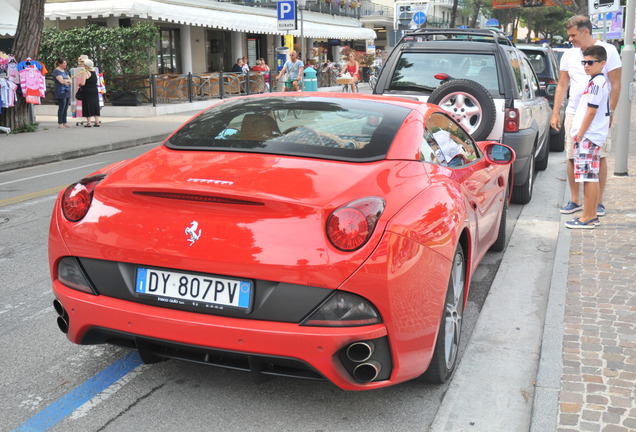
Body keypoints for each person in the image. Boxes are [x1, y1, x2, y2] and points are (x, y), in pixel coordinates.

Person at [550, 15, 621, 218]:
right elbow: (562, 85)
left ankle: (597, 203)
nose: (570, 39)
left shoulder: (609, 51)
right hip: (574, 111)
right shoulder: (568, 55)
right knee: (572, 156)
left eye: (573, 35)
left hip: (598, 114)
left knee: (599, 156)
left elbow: (616, 83)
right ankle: (575, 200)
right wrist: (556, 112)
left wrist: (611, 112)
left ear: (585, 32)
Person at [564, 45, 610, 229]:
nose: (586, 66)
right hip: (591, 136)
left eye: (590, 62)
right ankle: (591, 215)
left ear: (602, 63)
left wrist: (580, 134)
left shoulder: (597, 83)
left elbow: (591, 111)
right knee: (591, 176)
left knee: (588, 177)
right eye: (584, 62)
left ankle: (587, 217)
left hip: (588, 137)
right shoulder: (596, 81)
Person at [77, 59, 101, 127]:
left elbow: (83, 83)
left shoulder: (86, 73)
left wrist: (79, 84)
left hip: (87, 91)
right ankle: (97, 122)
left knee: (87, 105)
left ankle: (89, 122)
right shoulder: (94, 72)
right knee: (95, 105)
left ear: (86, 66)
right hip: (94, 90)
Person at [52, 57, 72, 128]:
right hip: (61, 91)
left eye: (65, 63)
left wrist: (67, 81)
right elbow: (62, 81)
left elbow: (70, 81)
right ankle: (60, 122)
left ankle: (64, 121)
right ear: (59, 64)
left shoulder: (65, 71)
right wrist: (67, 81)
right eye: (64, 63)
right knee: (62, 107)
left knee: (66, 107)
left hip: (67, 91)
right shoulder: (56, 71)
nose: (65, 64)